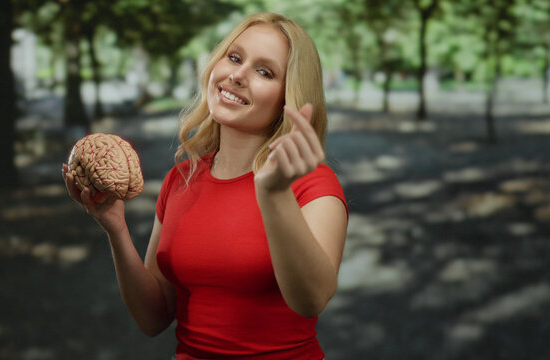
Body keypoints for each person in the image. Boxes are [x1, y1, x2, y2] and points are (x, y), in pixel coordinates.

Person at [63, 12, 348, 360]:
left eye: (264, 71)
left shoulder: (313, 185)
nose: (238, 75)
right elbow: (154, 318)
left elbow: (311, 300)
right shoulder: (180, 180)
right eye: (234, 57)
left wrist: (273, 194)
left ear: (287, 98)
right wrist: (116, 229)